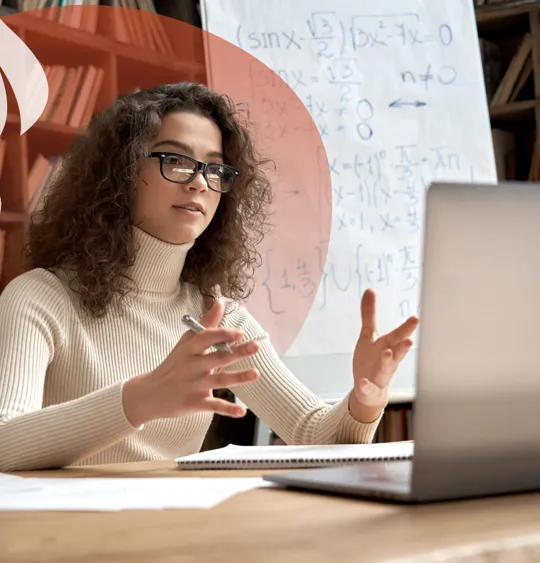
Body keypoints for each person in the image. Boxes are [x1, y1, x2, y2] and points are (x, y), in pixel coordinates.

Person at [0, 82, 418, 471]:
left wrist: (366, 398)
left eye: (215, 169)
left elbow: (312, 434)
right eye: (176, 161)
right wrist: (139, 400)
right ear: (121, 172)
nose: (200, 182)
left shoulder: (218, 315)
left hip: (176, 535)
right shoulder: (38, 298)